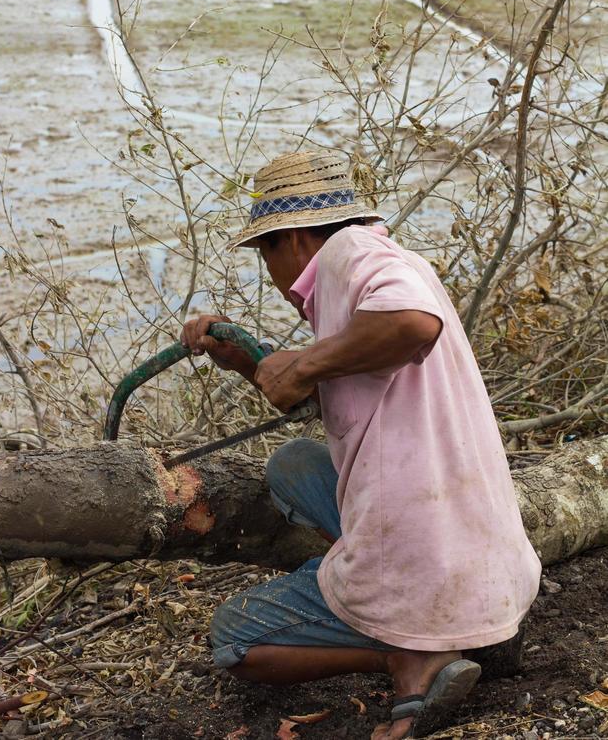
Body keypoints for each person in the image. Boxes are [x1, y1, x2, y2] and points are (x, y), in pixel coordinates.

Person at [181, 148, 541, 740]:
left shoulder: (350, 253)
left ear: (291, 239)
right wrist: (250, 362)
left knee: (235, 639)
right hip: (486, 558)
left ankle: (411, 653)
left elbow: (411, 323)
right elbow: (336, 389)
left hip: (423, 549)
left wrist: (303, 364)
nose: (269, 272)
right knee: (293, 466)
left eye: (263, 251)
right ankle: (462, 632)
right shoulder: (366, 273)